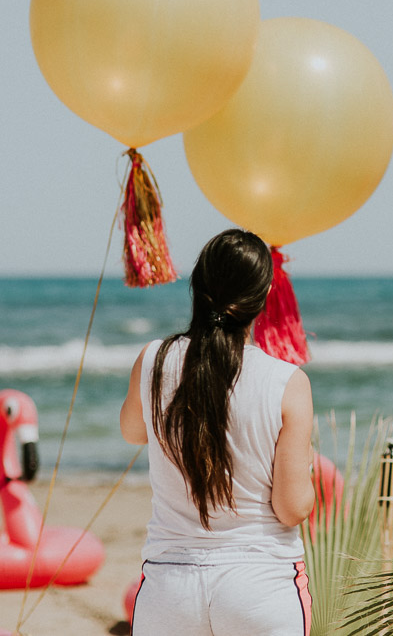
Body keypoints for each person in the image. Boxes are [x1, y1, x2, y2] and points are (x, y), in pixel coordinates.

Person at [120, 228, 316, 636]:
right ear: (263, 299)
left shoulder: (153, 359)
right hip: (259, 585)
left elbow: (133, 431)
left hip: (169, 590)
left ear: (199, 286)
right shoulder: (286, 381)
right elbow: (292, 508)